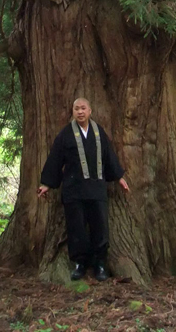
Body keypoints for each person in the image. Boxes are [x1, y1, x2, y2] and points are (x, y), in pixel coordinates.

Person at [38, 98, 129, 281]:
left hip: (96, 188)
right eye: (76, 109)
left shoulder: (98, 132)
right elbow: (56, 158)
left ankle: (100, 264)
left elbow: (109, 155)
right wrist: (46, 183)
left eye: (83, 108)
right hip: (74, 190)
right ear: (72, 111)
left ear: (90, 111)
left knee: (100, 227)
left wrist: (119, 177)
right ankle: (79, 263)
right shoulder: (65, 134)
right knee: (76, 228)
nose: (80, 112)